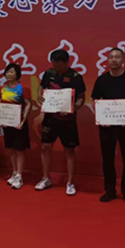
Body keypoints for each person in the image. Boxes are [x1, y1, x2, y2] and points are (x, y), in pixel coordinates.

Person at [91, 48, 125, 206]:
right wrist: (101, 115)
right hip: (107, 126)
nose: (114, 59)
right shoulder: (102, 80)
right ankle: (110, 190)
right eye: (111, 57)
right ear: (107, 60)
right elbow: (95, 101)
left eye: (117, 57)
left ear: (123, 60)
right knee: (107, 158)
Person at [36, 50, 86, 195]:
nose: (57, 69)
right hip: (50, 118)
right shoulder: (49, 73)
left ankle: (70, 182)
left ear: (67, 63)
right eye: (55, 65)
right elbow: (41, 86)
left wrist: (73, 109)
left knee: (69, 150)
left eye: (60, 66)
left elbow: (81, 98)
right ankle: (46, 178)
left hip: (68, 120)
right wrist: (39, 95)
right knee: (45, 147)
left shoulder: (76, 77)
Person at [1, 63, 32, 190]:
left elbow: (28, 104)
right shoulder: (3, 88)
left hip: (19, 123)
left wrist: (23, 120)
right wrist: (1, 119)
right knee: (11, 149)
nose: (9, 74)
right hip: (7, 123)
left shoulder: (23, 88)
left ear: (17, 74)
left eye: (12, 72)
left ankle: (19, 175)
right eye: (7, 72)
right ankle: (14, 172)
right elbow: (1, 104)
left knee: (19, 150)